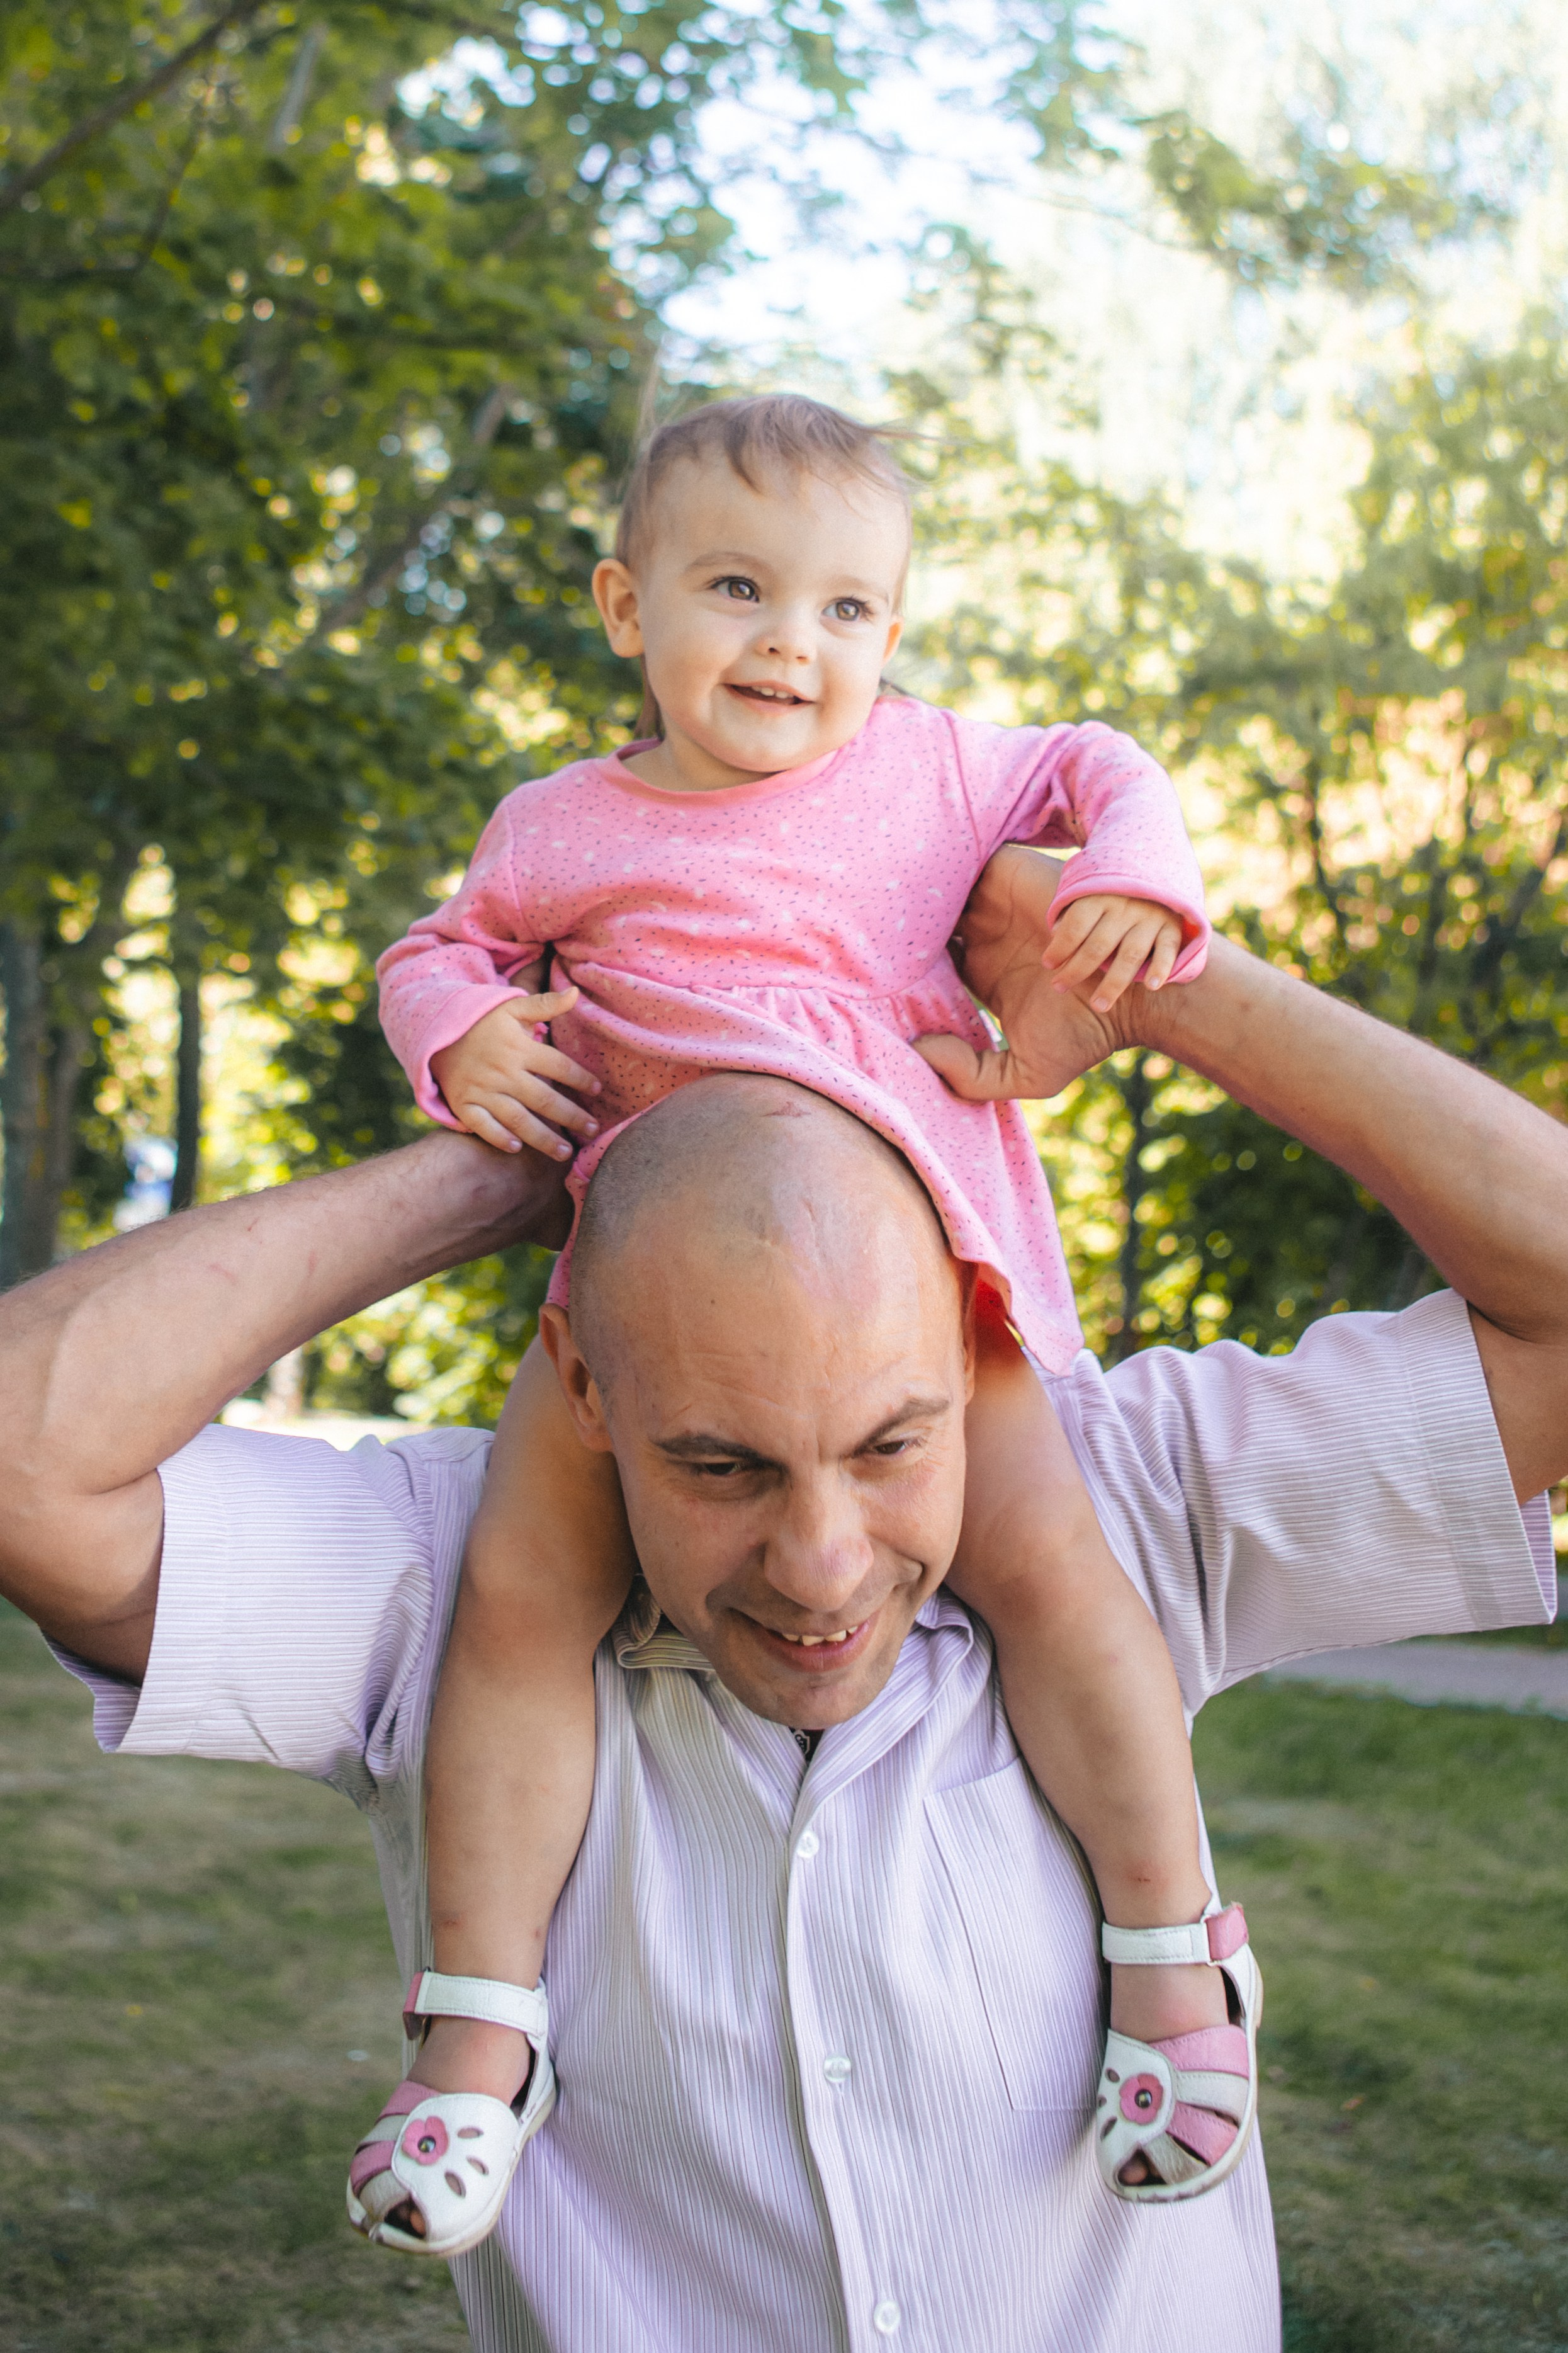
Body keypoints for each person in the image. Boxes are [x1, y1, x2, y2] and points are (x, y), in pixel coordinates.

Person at [1, 896, 1560, 2353]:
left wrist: (1145, 972)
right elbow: (25, 1450)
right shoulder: (443, 1587)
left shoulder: (1124, 1510)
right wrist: (529, 1152)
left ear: (974, 1354)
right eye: (720, 1465)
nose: (819, 1568)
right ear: (588, 1385)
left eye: (892, 1446)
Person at [368, 392, 1236, 2245]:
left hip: (923, 1293)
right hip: (644, 1299)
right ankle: (475, 2035)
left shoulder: (921, 774)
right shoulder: (557, 823)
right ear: (626, 603)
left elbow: (1098, 760)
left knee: (1056, 1583)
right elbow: (437, 949)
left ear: (893, 634)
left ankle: (1174, 1959)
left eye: (848, 610)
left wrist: (1140, 875)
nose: (792, 643)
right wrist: (460, 1029)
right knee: (519, 1614)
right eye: (739, 589)